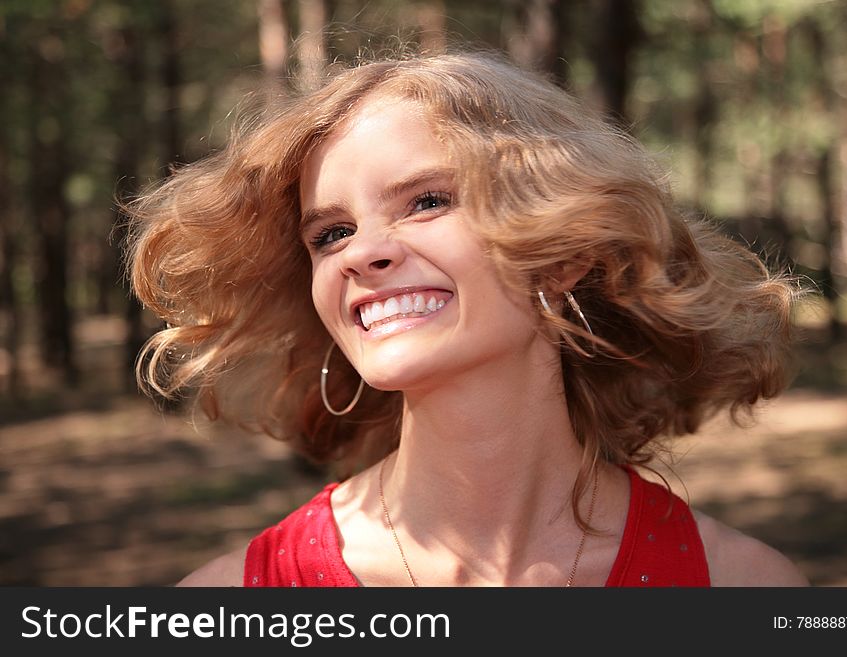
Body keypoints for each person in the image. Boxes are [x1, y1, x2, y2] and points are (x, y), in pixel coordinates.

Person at [126, 51, 809, 587]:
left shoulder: (745, 587)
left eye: (425, 201)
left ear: (565, 252)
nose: (363, 252)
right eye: (330, 234)